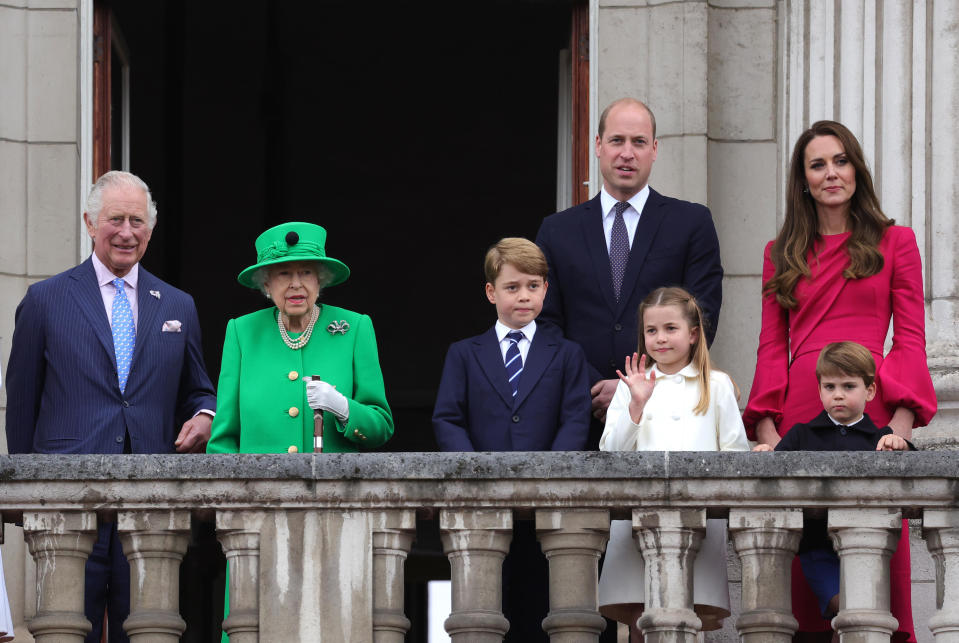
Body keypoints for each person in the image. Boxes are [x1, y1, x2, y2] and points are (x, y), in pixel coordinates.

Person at [743, 120, 937, 642]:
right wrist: (770, 437)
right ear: (802, 180)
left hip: (871, 412)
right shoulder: (778, 251)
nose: (831, 173)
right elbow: (769, 347)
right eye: (818, 164)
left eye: (840, 160)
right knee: (807, 578)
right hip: (801, 415)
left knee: (875, 568)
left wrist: (897, 427)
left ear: (857, 169)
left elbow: (911, 339)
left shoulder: (897, 241)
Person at [5, 170, 217, 643]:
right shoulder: (45, 299)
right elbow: (21, 401)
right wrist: (26, 491)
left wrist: (205, 415)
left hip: (150, 509)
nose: (126, 231)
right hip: (66, 504)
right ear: (89, 222)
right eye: (115, 219)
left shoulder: (178, 305)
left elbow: (198, 389)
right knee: (61, 630)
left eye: (137, 221)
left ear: (151, 229)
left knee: (145, 630)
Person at [535, 98, 723, 449]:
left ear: (654, 150)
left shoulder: (691, 223)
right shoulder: (557, 231)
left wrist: (632, 387)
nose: (627, 153)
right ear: (597, 146)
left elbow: (703, 315)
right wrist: (591, 386)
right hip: (578, 416)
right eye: (617, 140)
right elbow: (545, 323)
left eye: (638, 142)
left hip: (666, 416)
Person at [432, 237, 590, 642]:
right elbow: (448, 418)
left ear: (545, 290)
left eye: (533, 286)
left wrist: (550, 476)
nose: (524, 296)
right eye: (512, 287)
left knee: (544, 609)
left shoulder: (567, 353)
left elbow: (575, 419)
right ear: (491, 292)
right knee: (487, 611)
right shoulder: (464, 353)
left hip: (547, 509)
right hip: (485, 506)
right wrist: (475, 472)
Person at [598, 287, 748, 639]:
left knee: (688, 616)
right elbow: (610, 455)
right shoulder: (629, 385)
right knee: (639, 616)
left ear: (693, 334)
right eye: (651, 331)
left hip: (699, 520)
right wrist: (636, 404)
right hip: (637, 517)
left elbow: (735, 453)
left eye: (670, 328)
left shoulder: (718, 384)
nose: (660, 338)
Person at [754, 342, 915, 639]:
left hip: (869, 546)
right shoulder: (803, 433)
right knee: (844, 607)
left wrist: (901, 445)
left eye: (848, 386)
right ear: (819, 391)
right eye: (829, 386)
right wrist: (765, 454)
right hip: (817, 547)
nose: (838, 394)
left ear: (870, 391)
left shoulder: (879, 437)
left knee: (860, 616)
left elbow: (913, 477)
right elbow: (776, 469)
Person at [207, 221, 394, 455]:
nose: (296, 284)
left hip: (331, 487)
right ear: (266, 283)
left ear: (320, 279)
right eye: (284, 274)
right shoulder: (242, 332)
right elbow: (223, 440)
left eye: (306, 272)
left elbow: (381, 428)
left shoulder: (355, 328)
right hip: (258, 488)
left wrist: (344, 408)